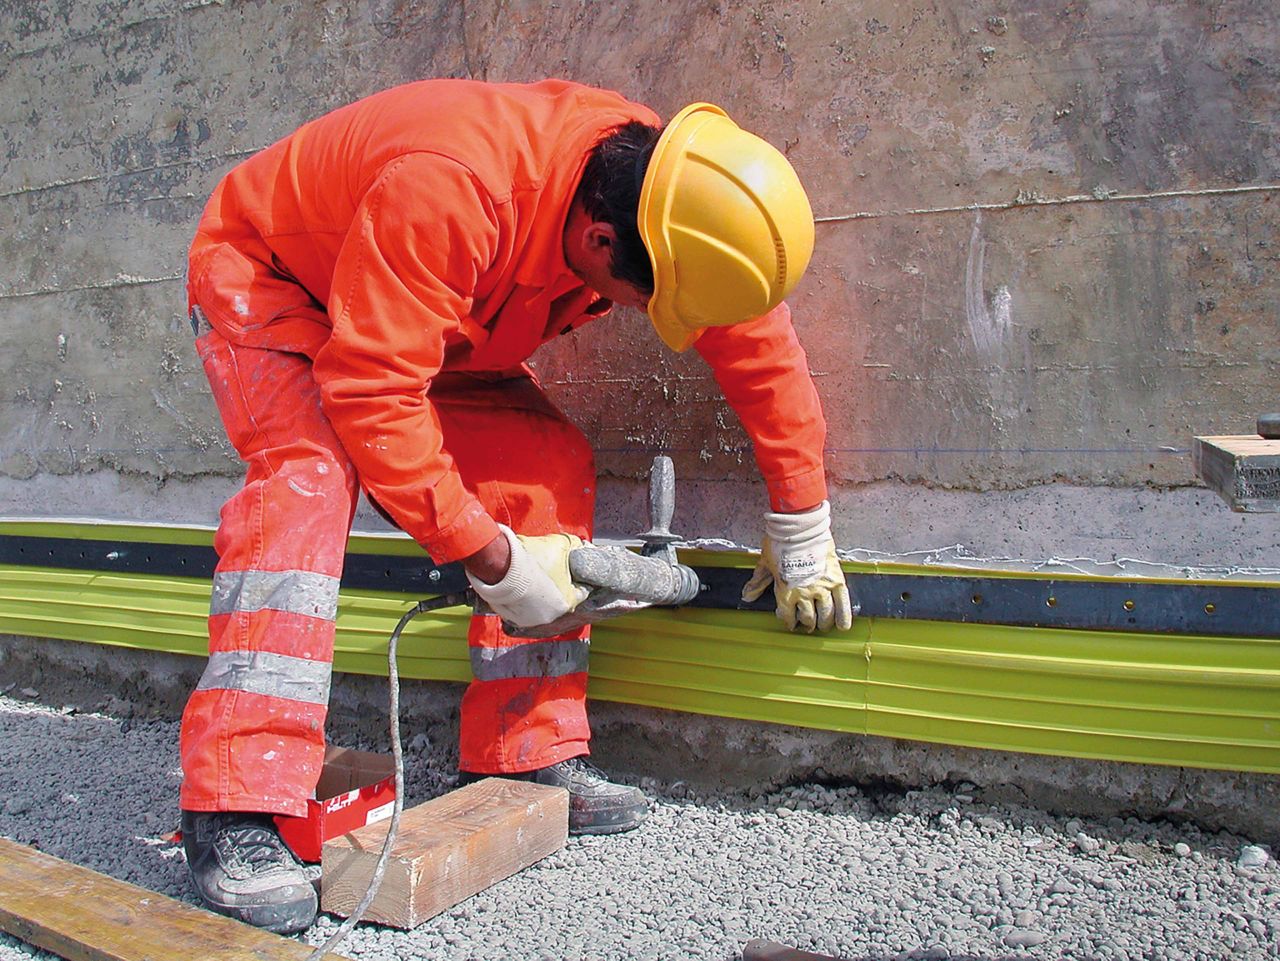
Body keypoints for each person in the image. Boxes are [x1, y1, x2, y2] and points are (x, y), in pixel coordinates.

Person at [178, 78, 853, 934]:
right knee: (307, 477)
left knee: (546, 459)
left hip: (429, 313)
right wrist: (494, 561)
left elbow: (754, 339)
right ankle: (234, 805)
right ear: (597, 239)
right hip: (276, 285)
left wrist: (802, 519)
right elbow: (373, 393)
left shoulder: (675, 195)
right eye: (647, 300)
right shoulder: (454, 185)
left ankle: (523, 756)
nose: (650, 320)